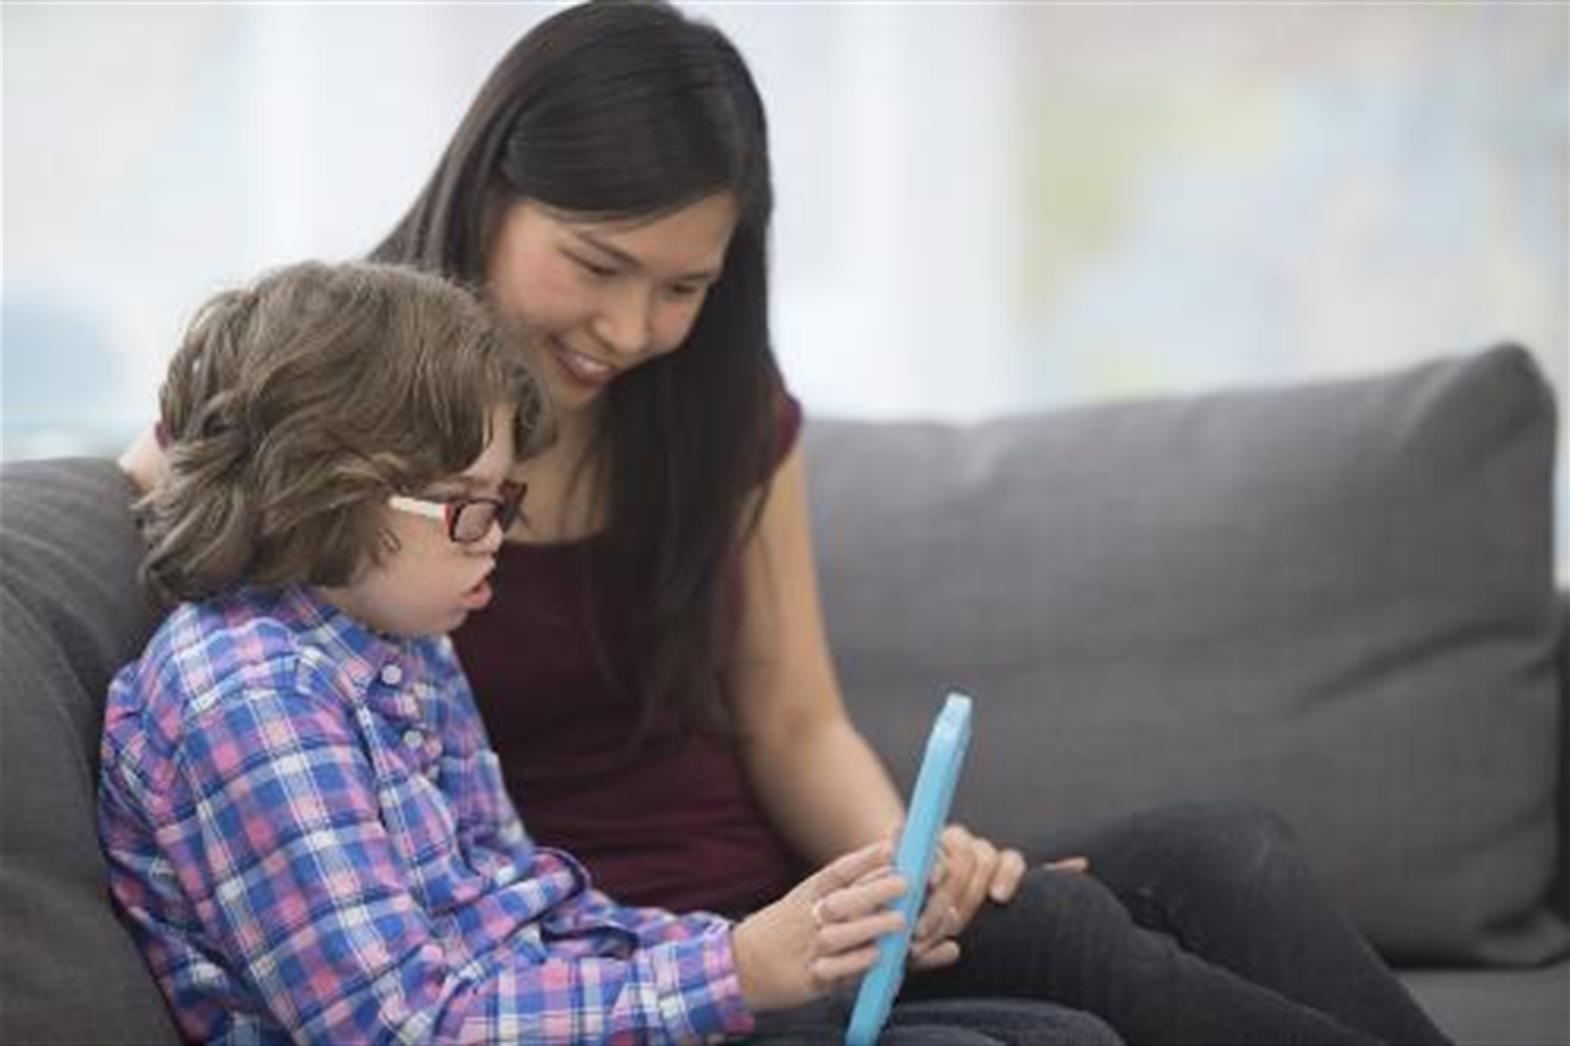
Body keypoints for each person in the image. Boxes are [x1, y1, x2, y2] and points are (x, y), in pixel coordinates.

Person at [118, 4, 1453, 1044]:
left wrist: (903, 868)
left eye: (682, 285)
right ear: (490, 190)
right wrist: (207, 449)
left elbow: (791, 718)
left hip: (709, 923)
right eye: (595, 265)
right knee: (1065, 955)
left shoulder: (715, 419)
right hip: (642, 965)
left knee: (1216, 844)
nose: (631, 329)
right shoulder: (352, 444)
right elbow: (210, 477)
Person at [105, 260, 1114, 1045]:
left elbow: (529, 920)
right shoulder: (250, 699)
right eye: (470, 505)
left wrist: (777, 946)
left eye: (504, 499)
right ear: (328, 487)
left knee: (1052, 1026)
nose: (497, 531)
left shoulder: (395, 645)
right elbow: (406, 1026)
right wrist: (734, 972)